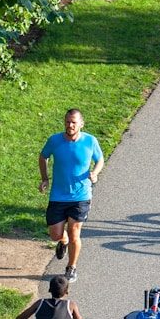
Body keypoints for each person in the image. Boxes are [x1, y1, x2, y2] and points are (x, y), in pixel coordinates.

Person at [39, 108, 103, 283]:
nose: (70, 125)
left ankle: (71, 267)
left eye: (74, 122)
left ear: (81, 124)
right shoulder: (54, 140)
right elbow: (43, 156)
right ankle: (63, 241)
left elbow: (100, 159)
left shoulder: (90, 141)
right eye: (67, 121)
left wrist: (95, 173)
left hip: (81, 195)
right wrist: (45, 178)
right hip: (58, 195)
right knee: (55, 235)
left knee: (75, 232)